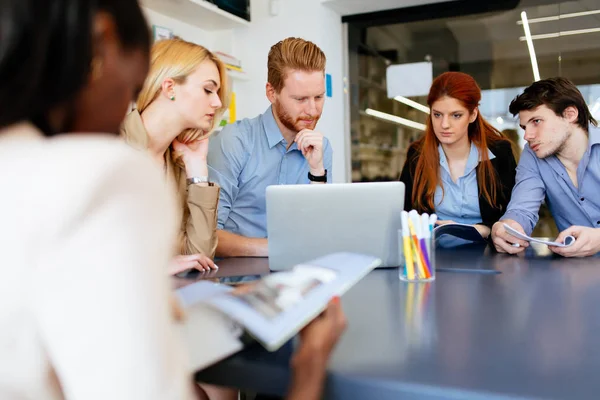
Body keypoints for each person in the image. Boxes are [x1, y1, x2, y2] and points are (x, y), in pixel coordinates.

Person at [0, 0, 347, 399]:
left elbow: (195, 251)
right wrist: (310, 366)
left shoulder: (34, 161)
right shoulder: (104, 170)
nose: (217, 105)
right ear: (104, 44)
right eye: (135, 83)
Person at [208, 37, 333, 257]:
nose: (313, 110)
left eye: (319, 97)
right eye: (300, 99)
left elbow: (320, 231)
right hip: (238, 282)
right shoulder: (235, 141)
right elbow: (207, 235)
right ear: (271, 93)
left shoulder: (321, 148)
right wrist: (276, 249)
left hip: (300, 278)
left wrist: (317, 172)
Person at [121, 38, 228, 274]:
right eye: (208, 89)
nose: (218, 102)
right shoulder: (111, 144)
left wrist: (197, 171)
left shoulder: (178, 165)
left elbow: (198, 257)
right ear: (169, 88)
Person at [400, 72, 517, 240]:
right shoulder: (417, 156)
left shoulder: (499, 153)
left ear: (473, 114)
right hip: (433, 253)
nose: (444, 125)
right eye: (437, 114)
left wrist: (485, 230)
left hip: (488, 252)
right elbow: (405, 214)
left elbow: (514, 214)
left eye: (456, 115)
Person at [491, 77, 600, 257]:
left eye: (536, 121)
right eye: (524, 127)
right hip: (575, 271)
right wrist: (508, 227)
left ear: (570, 114)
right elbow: (522, 209)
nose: (527, 135)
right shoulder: (533, 155)